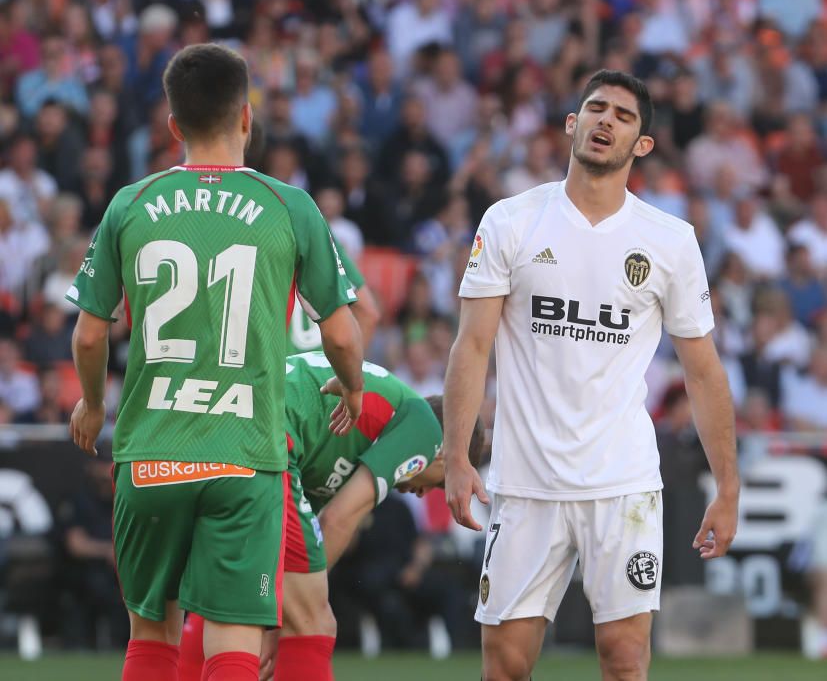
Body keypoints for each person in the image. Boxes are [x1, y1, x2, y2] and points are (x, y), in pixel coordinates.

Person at [65, 43, 364, 681]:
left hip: (150, 451)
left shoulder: (130, 203)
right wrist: (353, 387)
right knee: (233, 637)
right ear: (247, 117)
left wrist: (93, 404)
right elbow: (341, 334)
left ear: (173, 126)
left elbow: (90, 338)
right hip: (245, 454)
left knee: (152, 633)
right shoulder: (291, 206)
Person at [442, 70, 740, 681]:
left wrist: (729, 487)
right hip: (526, 480)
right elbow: (471, 346)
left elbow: (704, 374)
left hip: (622, 482)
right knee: (504, 666)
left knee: (625, 661)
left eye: (624, 116)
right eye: (595, 108)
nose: (606, 120)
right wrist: (455, 455)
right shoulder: (510, 221)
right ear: (572, 124)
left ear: (643, 145)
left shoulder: (670, 241)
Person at [176, 351, 486, 681]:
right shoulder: (427, 430)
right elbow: (337, 520)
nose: (423, 493)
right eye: (439, 484)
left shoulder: (360, 435)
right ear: (444, 456)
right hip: (264, 441)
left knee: (224, 605)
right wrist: (283, 614)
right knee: (312, 621)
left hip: (211, 430)